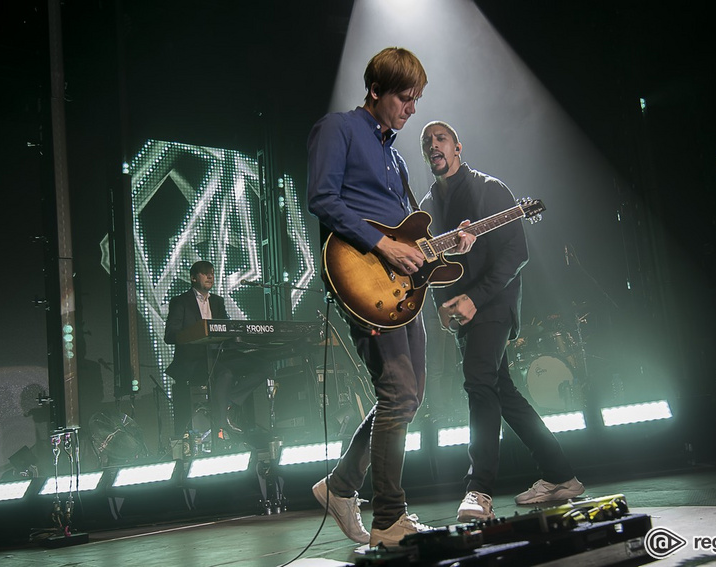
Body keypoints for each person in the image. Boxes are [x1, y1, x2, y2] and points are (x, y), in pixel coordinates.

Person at [306, 48, 475, 547]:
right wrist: (381, 245)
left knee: (407, 396)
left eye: (417, 98)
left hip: (403, 290)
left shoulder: (397, 157)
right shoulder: (337, 129)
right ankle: (388, 519)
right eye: (405, 96)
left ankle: (340, 488)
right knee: (398, 392)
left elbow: (408, 233)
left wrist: (449, 243)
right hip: (362, 280)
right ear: (376, 90)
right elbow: (322, 197)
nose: (412, 108)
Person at [418, 121, 584, 522]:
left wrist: (475, 298)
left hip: (494, 304)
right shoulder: (426, 208)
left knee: (477, 382)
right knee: (500, 390)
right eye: (427, 142)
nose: (433, 145)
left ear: (458, 146)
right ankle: (561, 476)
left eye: (440, 138)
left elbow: (516, 252)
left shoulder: (490, 189)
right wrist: (443, 305)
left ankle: (479, 491)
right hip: (463, 313)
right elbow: (432, 267)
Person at [164, 260, 265, 445]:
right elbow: (170, 335)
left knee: (262, 366)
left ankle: (228, 403)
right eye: (205, 273)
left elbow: (226, 329)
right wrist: (196, 332)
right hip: (193, 361)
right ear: (193, 278)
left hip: (218, 356)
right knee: (224, 374)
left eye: (212, 272)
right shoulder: (180, 302)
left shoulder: (217, 301)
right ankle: (220, 424)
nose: (210, 276)